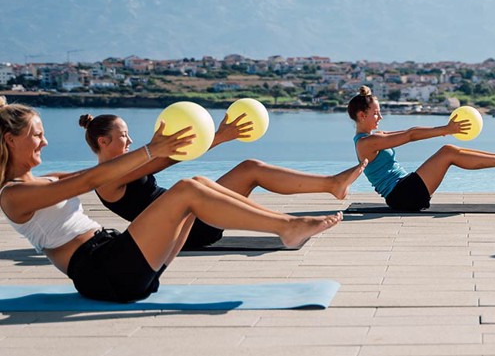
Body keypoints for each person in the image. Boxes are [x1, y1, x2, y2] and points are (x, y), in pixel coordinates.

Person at [0, 98, 342, 303]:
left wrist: (172, 146)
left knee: (196, 184)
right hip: (101, 271)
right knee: (187, 189)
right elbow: (92, 179)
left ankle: (287, 225)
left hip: (116, 259)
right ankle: (287, 227)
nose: (45, 142)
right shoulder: (13, 195)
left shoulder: (47, 180)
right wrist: (152, 149)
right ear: (10, 140)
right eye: (37, 135)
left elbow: (102, 173)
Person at [79, 112, 365, 249]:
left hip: (195, 216)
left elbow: (164, 158)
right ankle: (289, 225)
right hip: (186, 230)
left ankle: (331, 184)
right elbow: (166, 160)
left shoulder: (119, 167)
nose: (130, 140)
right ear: (104, 141)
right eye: (123, 136)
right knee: (197, 182)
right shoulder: (105, 179)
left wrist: (220, 136)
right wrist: (219, 137)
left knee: (249, 168)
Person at [348, 86, 495, 211]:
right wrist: (446, 129)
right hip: (402, 196)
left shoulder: (375, 137)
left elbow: (409, 132)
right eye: (376, 113)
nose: (380, 117)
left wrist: (444, 130)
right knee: (447, 152)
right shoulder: (366, 143)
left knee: (449, 150)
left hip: (405, 189)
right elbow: (411, 135)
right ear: (362, 116)